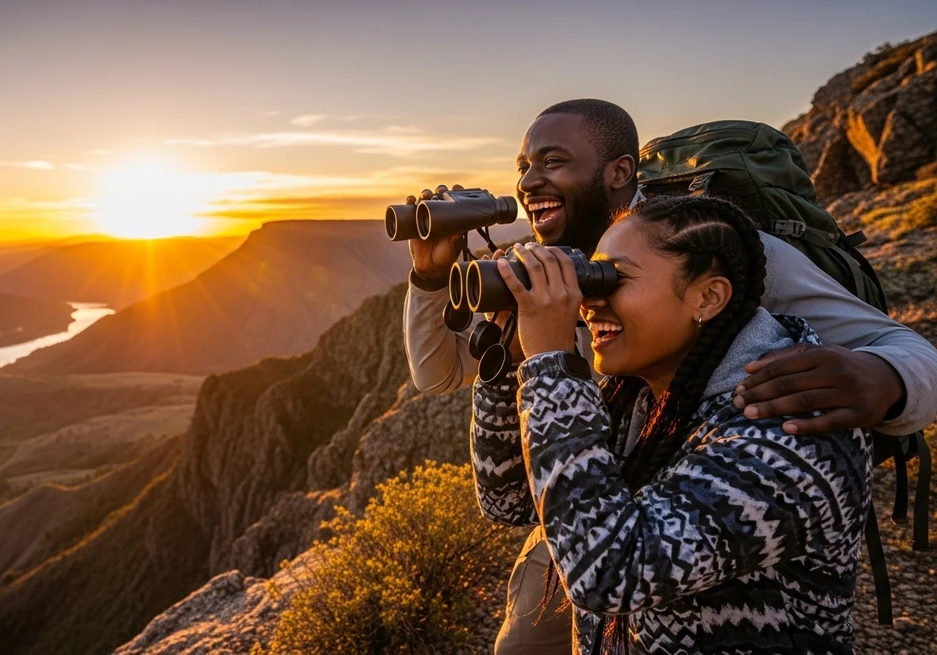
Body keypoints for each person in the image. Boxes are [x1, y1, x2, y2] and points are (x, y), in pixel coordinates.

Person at [401, 99, 937, 653]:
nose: (528, 181)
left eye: (552, 161)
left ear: (619, 172)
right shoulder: (550, 267)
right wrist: (435, 281)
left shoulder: (718, 248)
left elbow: (909, 352)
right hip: (594, 486)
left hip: (689, 500)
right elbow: (443, 378)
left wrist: (882, 379)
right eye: (523, 166)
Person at [473, 194, 871, 653]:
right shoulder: (645, 399)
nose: (588, 301)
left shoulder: (788, 434)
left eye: (613, 277)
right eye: (591, 275)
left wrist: (551, 366)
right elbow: (510, 498)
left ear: (707, 297)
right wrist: (512, 360)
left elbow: (610, 573)